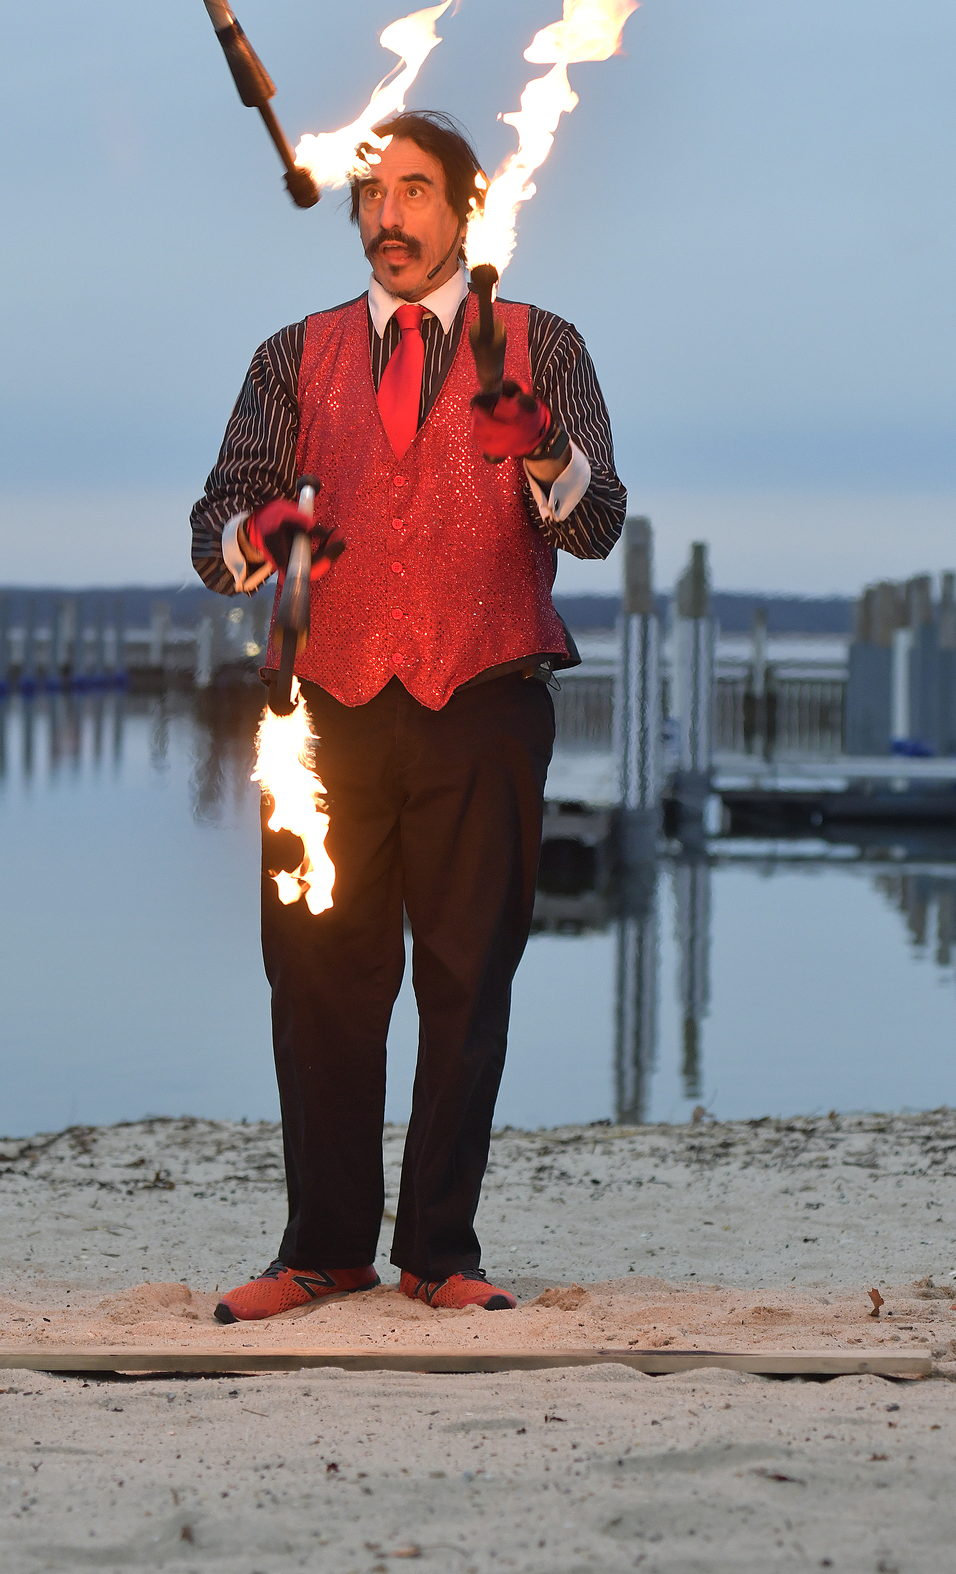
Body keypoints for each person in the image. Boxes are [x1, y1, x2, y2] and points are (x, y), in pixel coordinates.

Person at [190, 109, 625, 1323]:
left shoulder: (543, 346)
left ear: (464, 207)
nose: (390, 214)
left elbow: (594, 524)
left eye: (417, 191)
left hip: (484, 705)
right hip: (322, 713)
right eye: (373, 193)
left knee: (465, 980)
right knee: (318, 978)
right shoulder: (294, 354)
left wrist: (540, 452)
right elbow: (214, 530)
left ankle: (441, 1253)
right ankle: (323, 1249)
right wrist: (261, 537)